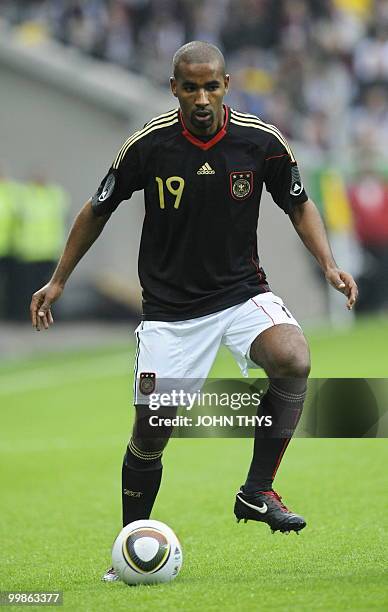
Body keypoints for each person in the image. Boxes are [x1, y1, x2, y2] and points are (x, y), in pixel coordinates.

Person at [30, 41, 358, 581]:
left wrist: (327, 263)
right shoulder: (149, 146)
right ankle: (128, 544)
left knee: (293, 356)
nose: (201, 97)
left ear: (227, 84)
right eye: (190, 87)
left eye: (211, 86)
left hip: (241, 295)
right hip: (169, 314)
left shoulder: (261, 142)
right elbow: (97, 208)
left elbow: (298, 201)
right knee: (153, 430)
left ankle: (256, 492)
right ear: (174, 89)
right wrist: (59, 279)